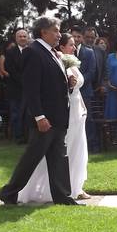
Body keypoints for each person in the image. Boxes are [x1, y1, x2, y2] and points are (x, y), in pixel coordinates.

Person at [0, 17, 81, 206]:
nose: (59, 35)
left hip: (58, 116)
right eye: (56, 30)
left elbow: (52, 84)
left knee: (59, 157)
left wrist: (68, 84)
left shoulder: (53, 53)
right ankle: (9, 192)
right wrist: (39, 116)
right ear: (43, 32)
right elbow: (31, 88)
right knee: (32, 157)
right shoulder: (33, 52)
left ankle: (63, 197)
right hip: (45, 118)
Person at [18, 33, 90, 202]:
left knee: (78, 149)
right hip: (65, 112)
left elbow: (76, 89)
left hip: (78, 111)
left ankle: (76, 186)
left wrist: (82, 105)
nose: (74, 47)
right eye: (71, 44)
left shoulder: (72, 63)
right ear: (62, 47)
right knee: (64, 151)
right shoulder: (58, 60)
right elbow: (54, 88)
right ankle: (56, 189)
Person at [3, 29, 30, 143]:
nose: (23, 38)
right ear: (16, 38)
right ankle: (18, 136)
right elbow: (10, 69)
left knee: (29, 114)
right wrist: (24, 81)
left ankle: (28, 136)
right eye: (20, 36)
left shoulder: (33, 51)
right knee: (16, 113)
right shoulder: (10, 52)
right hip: (16, 88)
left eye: (25, 36)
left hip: (30, 89)